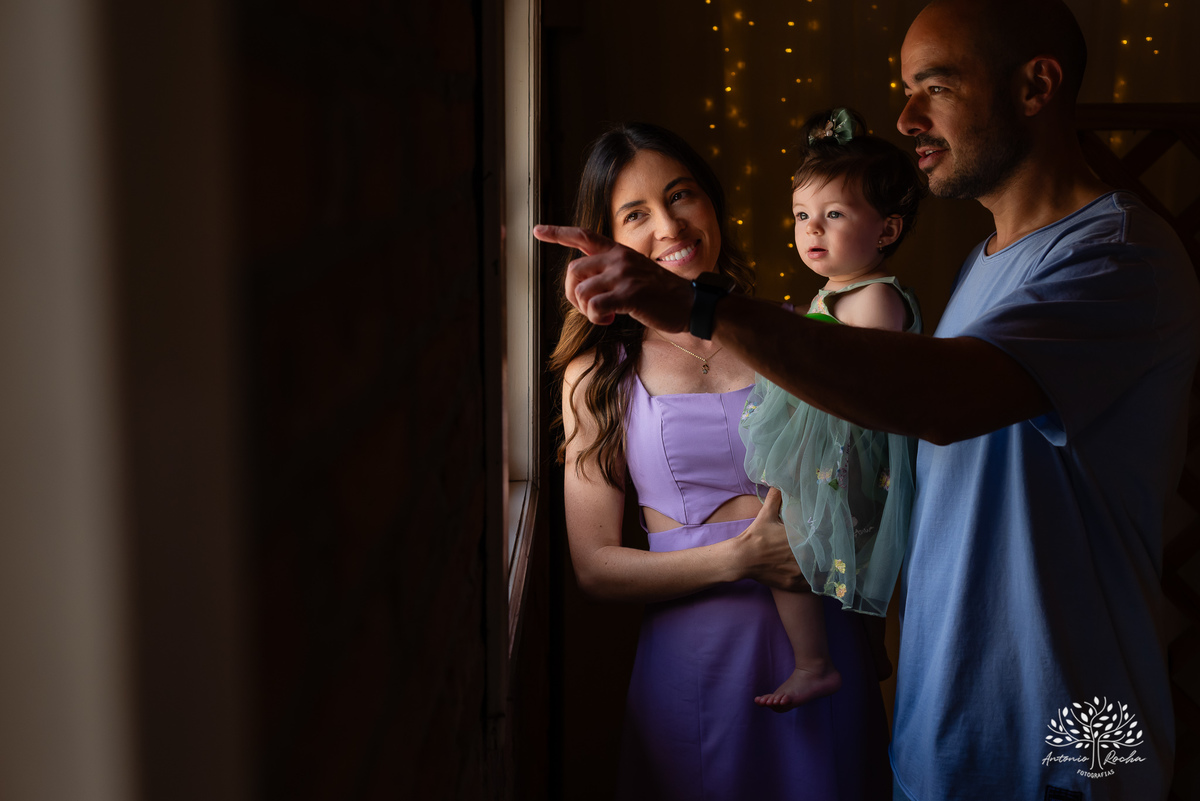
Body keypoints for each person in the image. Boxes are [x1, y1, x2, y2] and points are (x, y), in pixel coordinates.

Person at [535, 1, 1200, 798]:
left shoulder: (1116, 260)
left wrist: (701, 309)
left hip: (1069, 723)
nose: (906, 115)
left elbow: (935, 401)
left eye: (936, 86)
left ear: (1036, 86)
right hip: (954, 717)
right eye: (906, 88)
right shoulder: (986, 264)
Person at [549, 122, 890, 800]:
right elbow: (593, 565)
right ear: (608, 237)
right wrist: (740, 558)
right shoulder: (597, 374)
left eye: (682, 196)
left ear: (713, 204)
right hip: (695, 662)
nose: (671, 224)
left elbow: (875, 476)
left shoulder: (797, 329)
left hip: (823, 645)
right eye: (636, 213)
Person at [743, 107, 924, 712]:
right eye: (802, 215)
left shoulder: (877, 297)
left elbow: (858, 383)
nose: (811, 230)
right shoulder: (833, 290)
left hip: (851, 458)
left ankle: (818, 662)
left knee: (793, 547)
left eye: (834, 215)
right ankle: (850, 652)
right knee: (798, 549)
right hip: (823, 451)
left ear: (887, 230)